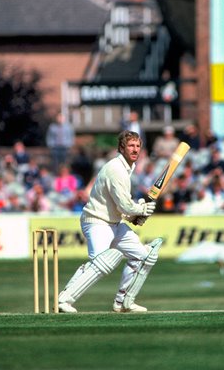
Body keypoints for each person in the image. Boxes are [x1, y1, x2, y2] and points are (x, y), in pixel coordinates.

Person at [58, 130, 161, 314]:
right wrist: (141, 209)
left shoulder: (127, 168)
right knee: (101, 262)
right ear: (121, 148)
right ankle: (64, 300)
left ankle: (123, 302)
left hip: (114, 223)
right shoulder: (116, 169)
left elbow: (120, 206)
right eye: (131, 145)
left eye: (138, 146)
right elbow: (125, 205)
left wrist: (134, 216)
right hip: (97, 221)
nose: (135, 149)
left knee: (144, 256)